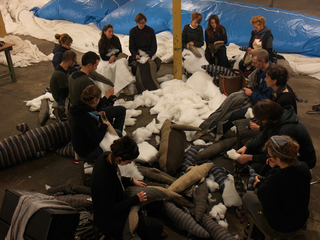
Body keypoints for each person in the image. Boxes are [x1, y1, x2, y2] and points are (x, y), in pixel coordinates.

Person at [91, 136, 166, 240]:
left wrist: (131, 181)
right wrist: (136, 199)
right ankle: (142, 229)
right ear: (119, 159)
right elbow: (110, 210)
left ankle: (144, 225)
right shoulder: (104, 178)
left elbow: (116, 178)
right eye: (128, 161)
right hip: (110, 220)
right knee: (158, 227)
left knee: (157, 202)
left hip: (119, 199)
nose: (130, 163)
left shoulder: (107, 156)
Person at [243, 135, 311, 239]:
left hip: (282, 228)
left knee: (248, 197)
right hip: (300, 219)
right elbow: (283, 177)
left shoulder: (277, 179)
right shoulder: (304, 167)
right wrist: (274, 167)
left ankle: (255, 233)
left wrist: (258, 185)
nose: (268, 157)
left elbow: (268, 203)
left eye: (270, 155)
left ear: (278, 159)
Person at [236, 99, 316, 175]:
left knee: (256, 168)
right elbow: (263, 137)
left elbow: (275, 156)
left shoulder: (285, 131)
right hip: (280, 155)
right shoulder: (275, 120)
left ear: (269, 118)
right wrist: (246, 146)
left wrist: (250, 158)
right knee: (251, 150)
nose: (260, 122)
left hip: (300, 161)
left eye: (262, 120)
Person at [69, 51, 126, 132]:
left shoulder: (73, 75)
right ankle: (115, 136)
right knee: (121, 110)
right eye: (95, 66)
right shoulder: (87, 82)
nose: (96, 68)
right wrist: (107, 95)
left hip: (76, 111)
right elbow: (96, 106)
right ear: (89, 65)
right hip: (87, 114)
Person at [222, 49, 273, 133]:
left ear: (263, 61)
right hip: (255, 98)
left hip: (261, 105)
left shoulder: (269, 77)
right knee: (230, 105)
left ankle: (220, 131)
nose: (253, 65)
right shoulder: (259, 71)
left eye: (255, 63)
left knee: (234, 114)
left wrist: (252, 94)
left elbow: (265, 101)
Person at [250, 64, 297, 131]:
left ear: (274, 81)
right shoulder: (275, 90)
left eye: (267, 77)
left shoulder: (285, 98)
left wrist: (260, 128)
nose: (265, 79)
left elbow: (280, 122)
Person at [69, 85, 111, 160]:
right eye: (99, 99)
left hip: (84, 144)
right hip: (88, 151)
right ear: (95, 99)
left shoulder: (79, 106)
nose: (100, 101)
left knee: (117, 133)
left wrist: (96, 113)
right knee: (116, 150)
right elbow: (97, 139)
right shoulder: (86, 118)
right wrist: (104, 125)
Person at [97, 24, 134, 95]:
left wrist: (114, 56)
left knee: (122, 62)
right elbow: (103, 56)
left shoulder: (116, 39)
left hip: (116, 57)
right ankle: (112, 87)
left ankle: (124, 84)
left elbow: (120, 51)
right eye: (109, 31)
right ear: (104, 32)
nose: (111, 33)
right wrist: (110, 58)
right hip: (107, 60)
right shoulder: (101, 42)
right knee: (106, 68)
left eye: (112, 31)